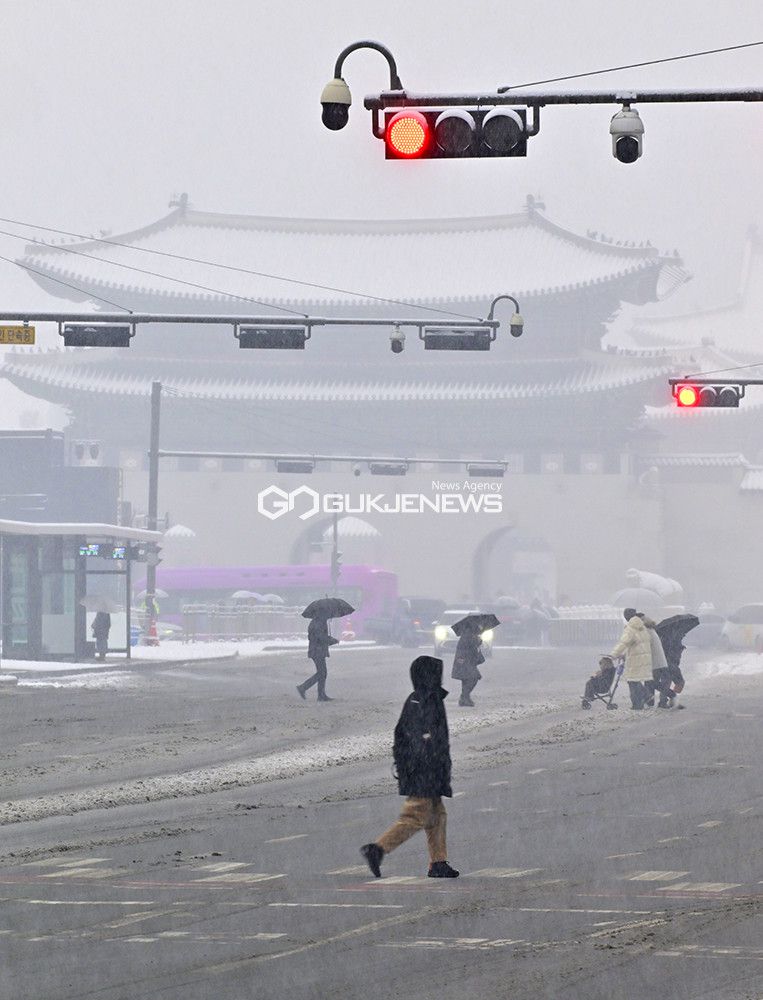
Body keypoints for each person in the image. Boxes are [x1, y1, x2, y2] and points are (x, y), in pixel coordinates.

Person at [360, 655, 459, 879]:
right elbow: (418, 738)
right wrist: (426, 764)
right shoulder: (422, 700)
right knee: (415, 815)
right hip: (423, 770)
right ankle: (377, 849)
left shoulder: (427, 697)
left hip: (429, 768)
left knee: (436, 816)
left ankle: (438, 862)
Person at [610, 608, 653, 710]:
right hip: (644, 658)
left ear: (626, 617)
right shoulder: (642, 626)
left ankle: (637, 705)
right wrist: (625, 654)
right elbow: (637, 643)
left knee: (632, 681)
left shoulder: (631, 628)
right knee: (635, 681)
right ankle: (646, 696)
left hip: (635, 659)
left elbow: (624, 643)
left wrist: (613, 654)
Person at [296, 614, 336, 702]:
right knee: (322, 673)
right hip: (317, 651)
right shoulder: (319, 623)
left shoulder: (317, 622)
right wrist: (331, 640)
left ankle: (321, 695)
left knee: (322, 673)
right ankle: (303, 687)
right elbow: (320, 638)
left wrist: (329, 639)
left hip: (317, 650)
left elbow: (319, 637)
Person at [640, 614, 672, 708]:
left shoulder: (646, 632)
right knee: (657, 682)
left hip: (654, 663)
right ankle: (662, 701)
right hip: (661, 662)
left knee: (651, 683)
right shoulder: (652, 630)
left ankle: (668, 696)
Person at [451, 621, 484, 707]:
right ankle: (464, 697)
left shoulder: (470, 634)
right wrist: (477, 641)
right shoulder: (468, 634)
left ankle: (465, 698)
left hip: (466, 660)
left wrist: (478, 641)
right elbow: (466, 647)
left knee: (466, 679)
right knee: (473, 677)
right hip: (465, 661)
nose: (480, 628)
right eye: (479, 626)